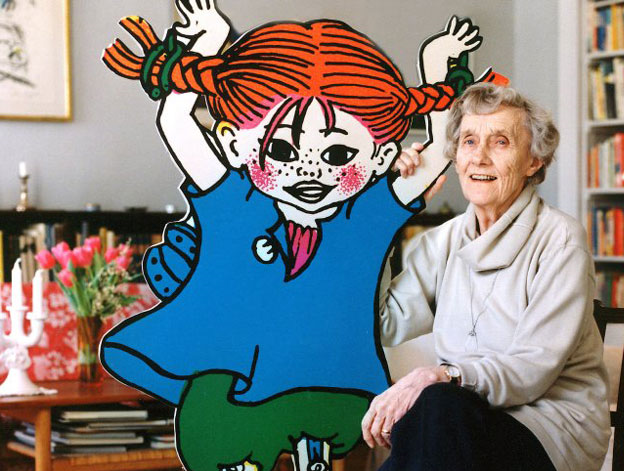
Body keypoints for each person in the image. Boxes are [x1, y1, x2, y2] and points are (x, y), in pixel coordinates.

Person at [99, 2, 506, 470]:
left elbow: (439, 152)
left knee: (324, 410)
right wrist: (206, 41)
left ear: (379, 157)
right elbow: (176, 123)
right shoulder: (233, 198)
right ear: (235, 144)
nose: (309, 170)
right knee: (211, 416)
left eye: (337, 154)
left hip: (332, 385)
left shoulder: (367, 213)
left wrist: (437, 68)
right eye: (280, 149)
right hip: (236, 382)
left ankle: (311, 448)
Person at [362, 83, 611, 471]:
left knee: (435, 405)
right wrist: (386, 214)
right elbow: (384, 323)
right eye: (468, 141)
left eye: (500, 142)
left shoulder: (560, 239)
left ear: (534, 161)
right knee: (434, 414)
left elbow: (532, 369)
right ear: (454, 157)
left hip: (550, 427)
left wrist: (442, 376)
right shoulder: (441, 241)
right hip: (461, 419)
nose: (479, 157)